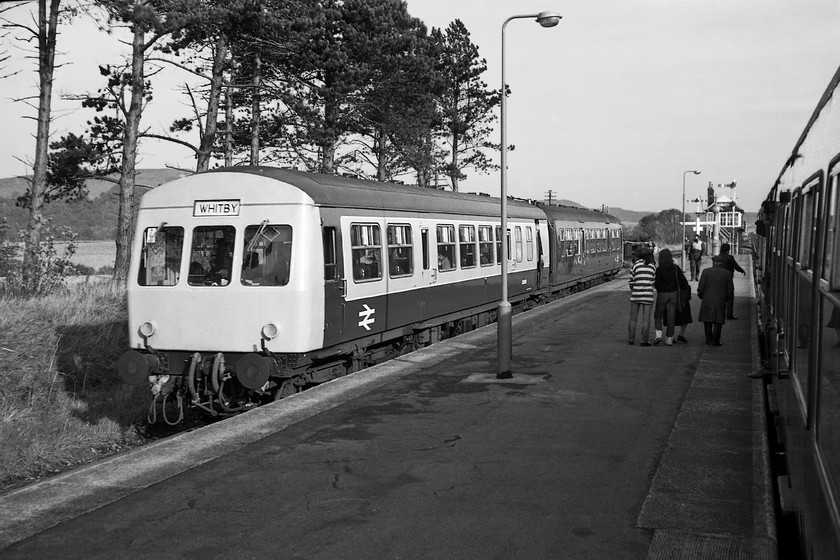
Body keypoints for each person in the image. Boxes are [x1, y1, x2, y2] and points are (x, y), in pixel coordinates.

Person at [653, 248, 690, 346]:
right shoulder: (675, 268)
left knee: (658, 315)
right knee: (671, 317)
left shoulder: (659, 270)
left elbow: (656, 284)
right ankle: (669, 339)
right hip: (674, 295)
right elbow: (683, 282)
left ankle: (658, 335)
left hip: (662, 294)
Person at [697, 256, 734, 346]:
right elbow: (730, 289)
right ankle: (715, 340)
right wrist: (725, 299)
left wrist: (703, 297)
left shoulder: (706, 272)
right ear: (722, 264)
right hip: (720, 300)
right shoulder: (727, 273)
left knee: (707, 320)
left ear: (713, 263)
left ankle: (708, 339)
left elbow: (700, 287)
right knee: (718, 321)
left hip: (707, 299)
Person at [627, 249, 656, 346]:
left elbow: (631, 281)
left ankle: (631, 339)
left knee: (633, 318)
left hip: (635, 295)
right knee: (646, 319)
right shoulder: (652, 267)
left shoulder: (635, 266)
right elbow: (653, 281)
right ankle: (644, 340)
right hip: (648, 296)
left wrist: (634, 289)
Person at [716, 242, 745, 319]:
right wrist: (742, 270)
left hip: (719, 279)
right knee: (729, 296)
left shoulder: (718, 257)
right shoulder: (729, 257)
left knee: (719, 297)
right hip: (728, 279)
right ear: (728, 250)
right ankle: (729, 314)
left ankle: (719, 314)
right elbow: (735, 266)